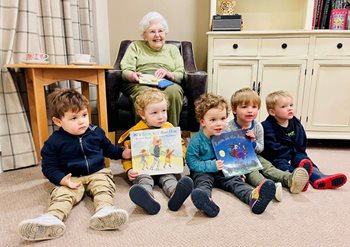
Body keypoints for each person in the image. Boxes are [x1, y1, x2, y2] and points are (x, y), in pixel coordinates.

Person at [17, 88, 131, 241]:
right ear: (58, 121)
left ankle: (105, 211)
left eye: (84, 115)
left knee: (104, 187)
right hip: (71, 178)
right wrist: (62, 179)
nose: (82, 121)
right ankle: (51, 218)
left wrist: (122, 153)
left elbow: (109, 149)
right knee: (62, 195)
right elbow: (49, 167)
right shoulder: (54, 142)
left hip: (98, 172)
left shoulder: (96, 132)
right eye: (74, 118)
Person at [186, 93, 276, 217]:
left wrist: (239, 170)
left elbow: (234, 157)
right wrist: (211, 165)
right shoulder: (197, 140)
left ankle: (252, 197)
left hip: (224, 170)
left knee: (236, 182)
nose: (219, 124)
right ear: (202, 121)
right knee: (202, 183)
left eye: (223, 119)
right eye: (213, 120)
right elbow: (191, 162)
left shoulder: (227, 136)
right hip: (204, 170)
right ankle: (206, 201)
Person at [225, 88, 310, 201]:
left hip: (254, 155)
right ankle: (268, 187)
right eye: (244, 107)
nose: (250, 111)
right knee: (252, 172)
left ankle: (290, 179)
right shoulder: (228, 127)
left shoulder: (258, 127)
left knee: (268, 167)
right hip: (238, 159)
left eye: (254, 107)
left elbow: (261, 149)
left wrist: (253, 143)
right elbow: (224, 151)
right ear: (234, 110)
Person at [118, 88, 193, 215]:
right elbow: (128, 155)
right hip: (145, 168)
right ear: (142, 114)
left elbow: (181, 146)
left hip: (164, 167)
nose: (161, 116)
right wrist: (129, 169)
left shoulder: (170, 128)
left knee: (169, 178)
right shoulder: (136, 132)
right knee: (143, 179)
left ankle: (176, 193)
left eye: (164, 111)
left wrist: (181, 157)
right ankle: (146, 197)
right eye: (154, 113)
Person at [261, 90, 347, 190]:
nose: (289, 109)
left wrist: (298, 152)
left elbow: (301, 138)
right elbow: (272, 147)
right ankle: (297, 178)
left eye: (291, 105)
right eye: (284, 107)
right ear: (272, 112)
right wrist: (288, 154)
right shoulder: (267, 126)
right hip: (278, 157)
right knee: (283, 166)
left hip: (295, 152)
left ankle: (319, 178)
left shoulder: (295, 122)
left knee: (303, 159)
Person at [120, 11, 184, 126]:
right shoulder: (135, 46)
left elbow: (180, 73)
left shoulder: (172, 49)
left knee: (174, 92)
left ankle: (170, 134)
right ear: (145, 35)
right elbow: (126, 69)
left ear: (165, 33)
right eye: (152, 31)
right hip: (140, 82)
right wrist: (132, 75)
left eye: (160, 31)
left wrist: (168, 73)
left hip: (166, 81)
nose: (157, 35)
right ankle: (143, 136)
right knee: (145, 95)